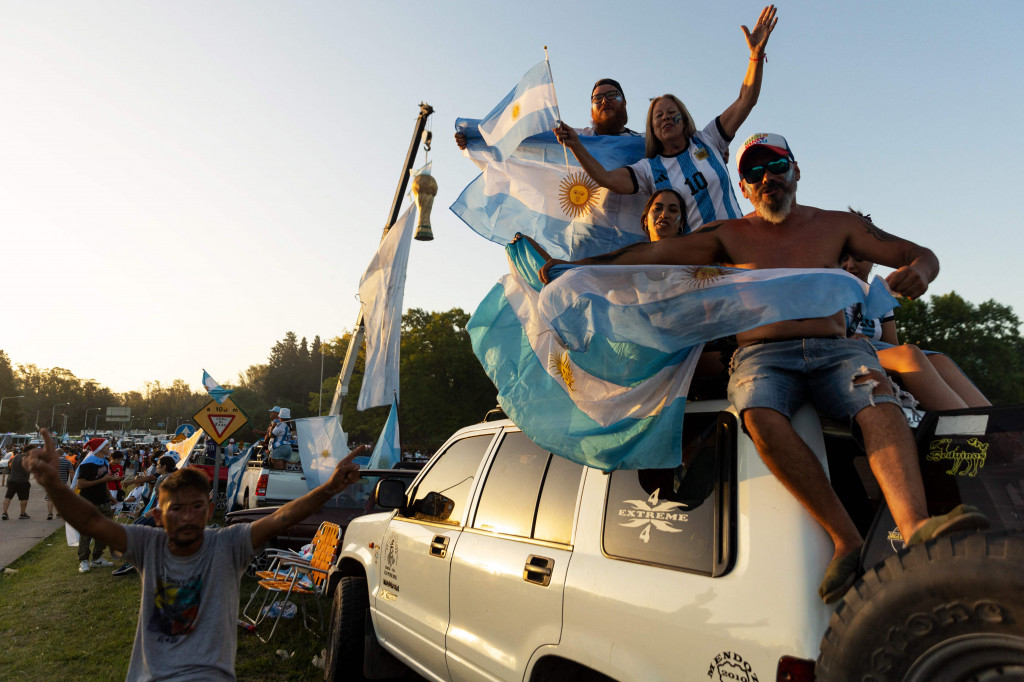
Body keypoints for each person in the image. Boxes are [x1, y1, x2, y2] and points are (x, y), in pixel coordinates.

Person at [536, 132, 990, 603]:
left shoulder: (838, 225)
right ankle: (846, 539)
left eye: (776, 166)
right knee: (759, 415)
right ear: (744, 188)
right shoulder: (729, 234)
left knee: (877, 399)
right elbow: (650, 254)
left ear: (796, 170)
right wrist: (575, 266)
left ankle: (916, 528)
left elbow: (920, 254)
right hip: (763, 356)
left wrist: (921, 271)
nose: (766, 178)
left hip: (837, 351)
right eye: (754, 172)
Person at [26, 428, 367, 680]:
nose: (188, 517)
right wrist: (54, 484)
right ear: (158, 516)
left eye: (197, 507)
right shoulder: (148, 545)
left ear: (208, 509)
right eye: (176, 509)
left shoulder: (229, 545)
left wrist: (330, 487)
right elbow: (91, 521)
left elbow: (281, 517)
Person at [553, 6, 777, 235]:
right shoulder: (649, 169)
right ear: (652, 129)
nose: (666, 117)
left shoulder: (708, 138)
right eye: (658, 116)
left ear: (684, 118)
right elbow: (607, 178)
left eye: (671, 112)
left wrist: (756, 56)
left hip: (737, 244)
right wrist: (576, 146)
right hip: (692, 256)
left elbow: (745, 100)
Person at [841, 250, 992, 411]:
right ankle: (964, 423)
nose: (850, 265)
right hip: (845, 351)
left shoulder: (879, 295)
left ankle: (993, 422)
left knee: (938, 359)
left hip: (876, 352)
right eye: (843, 258)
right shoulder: (830, 290)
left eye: (859, 259)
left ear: (873, 259)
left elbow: (892, 345)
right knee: (909, 354)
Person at [455, 77, 643, 152]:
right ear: (591, 109)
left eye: (612, 95)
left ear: (625, 102)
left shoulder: (643, 144)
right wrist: (475, 136)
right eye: (598, 98)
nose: (604, 101)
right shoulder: (574, 138)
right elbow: (525, 137)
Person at [72, 437, 122, 573]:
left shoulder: (104, 462)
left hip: (103, 501)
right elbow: (80, 484)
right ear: (99, 448)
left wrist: (109, 496)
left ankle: (97, 558)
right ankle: (83, 560)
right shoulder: (87, 463)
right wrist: (102, 480)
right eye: (106, 445)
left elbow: (104, 482)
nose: (108, 447)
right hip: (88, 502)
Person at [2, 447, 31, 520]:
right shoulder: (27, 459)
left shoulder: (15, 457)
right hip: (23, 481)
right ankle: (22, 514)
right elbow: (27, 470)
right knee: (24, 498)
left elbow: (10, 465)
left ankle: (4, 513)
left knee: (8, 497)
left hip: (12, 480)